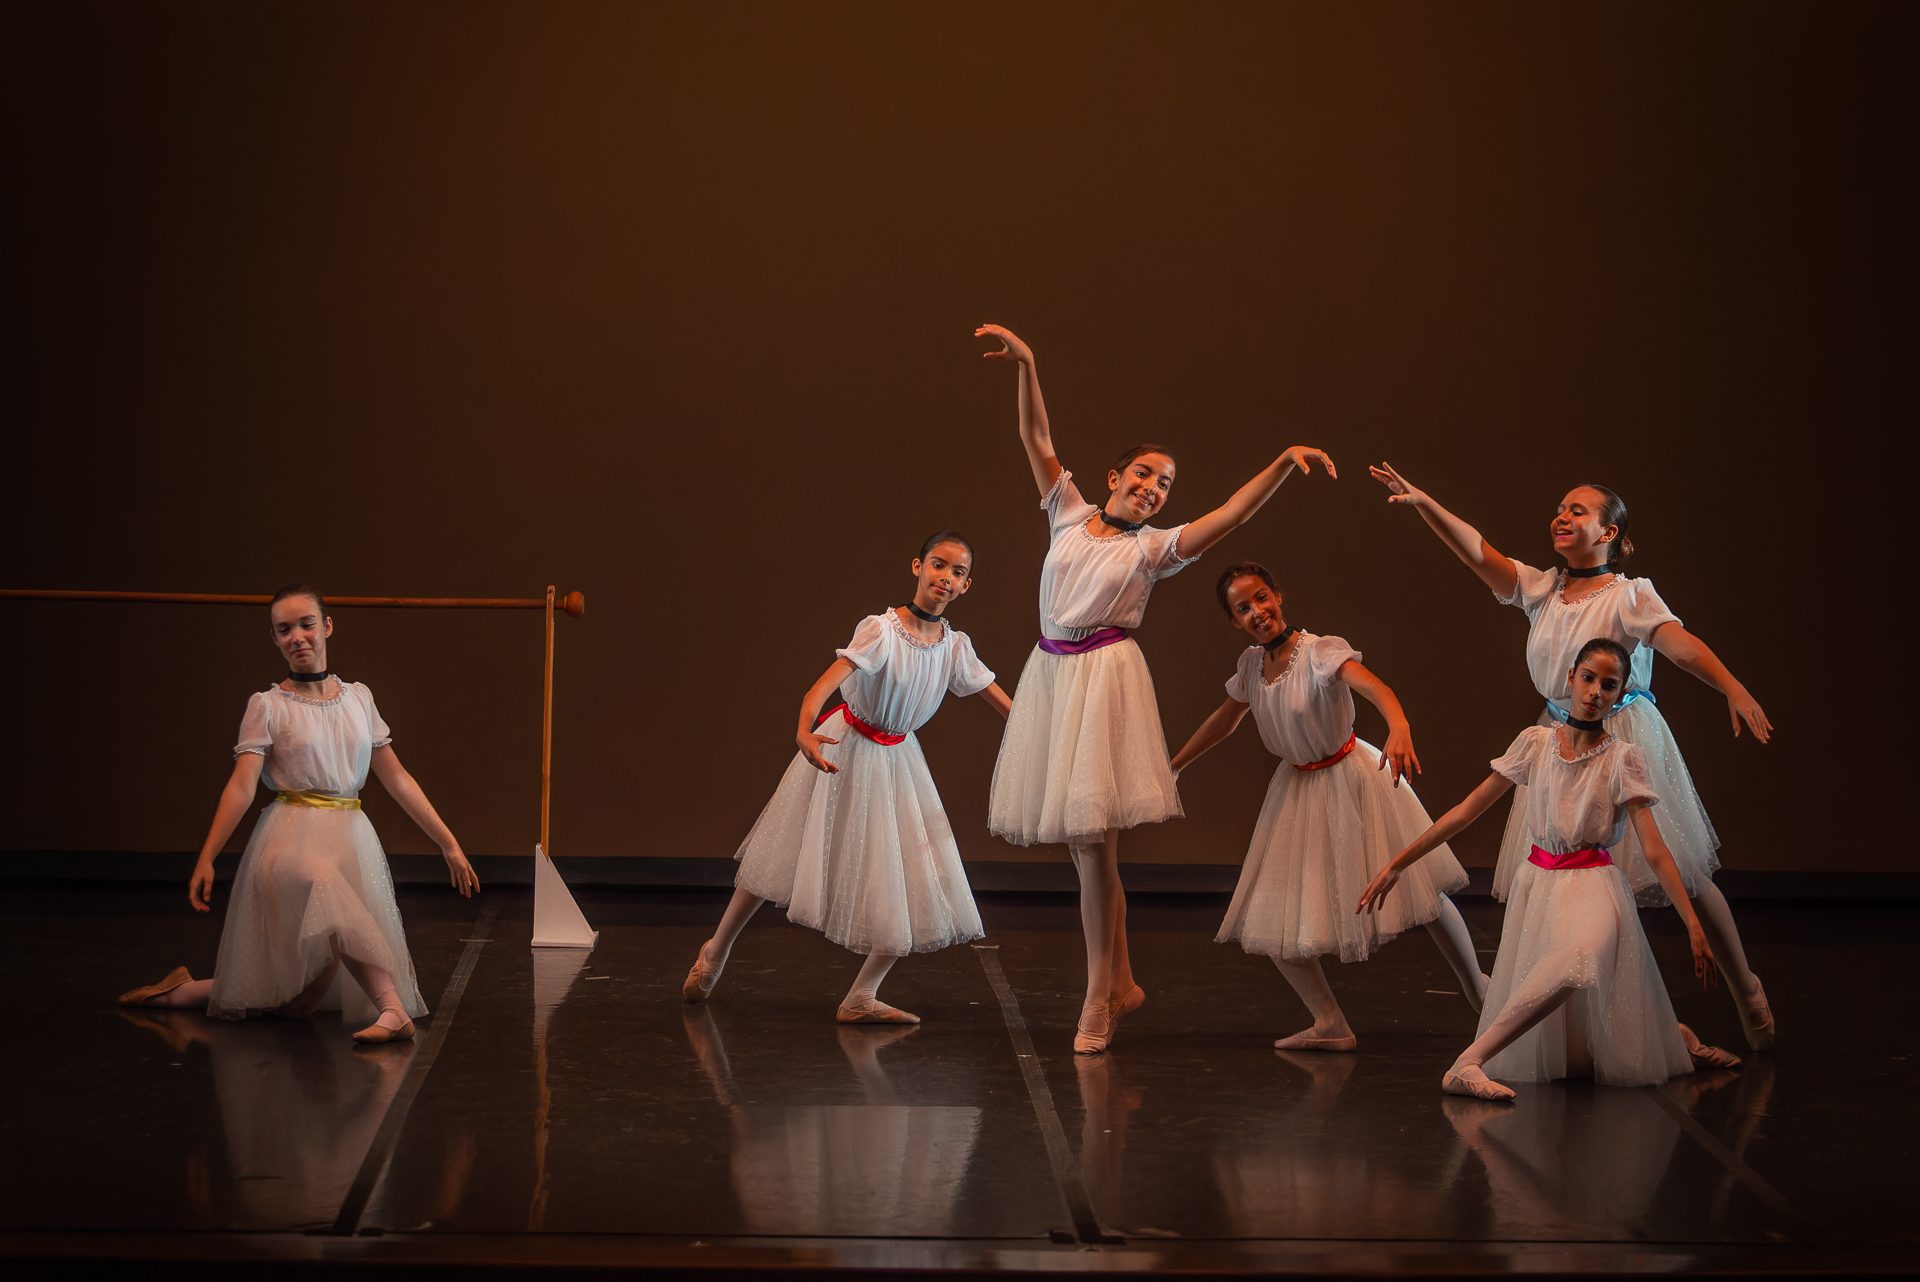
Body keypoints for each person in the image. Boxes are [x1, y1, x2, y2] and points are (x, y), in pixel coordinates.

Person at [977, 322, 1334, 1053]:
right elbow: (1035, 438)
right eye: (1143, 474)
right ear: (1115, 478)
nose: (1152, 488)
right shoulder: (1068, 513)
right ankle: (1122, 982)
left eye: (1165, 484)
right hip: (1051, 676)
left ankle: (1097, 997)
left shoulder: (1153, 549)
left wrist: (1279, 464)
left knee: (1092, 844)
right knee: (1087, 850)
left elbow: (1231, 515)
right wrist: (1029, 364)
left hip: (1102, 679)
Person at [1369, 464, 1775, 1050]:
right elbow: (1477, 552)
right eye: (1560, 508)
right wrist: (1426, 503)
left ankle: (1745, 987)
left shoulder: (1630, 595)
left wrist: (1731, 687)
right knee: (1576, 879)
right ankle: (1631, 1027)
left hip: (1623, 732)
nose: (1561, 516)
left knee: (1680, 867)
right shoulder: (1542, 589)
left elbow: (1680, 647)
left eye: (1577, 511)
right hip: (1560, 737)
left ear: (1608, 533)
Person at [1357, 638, 1741, 1102]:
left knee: (1580, 958)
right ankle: (1675, 1038)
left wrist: (1693, 924)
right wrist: (1398, 864)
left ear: (1621, 695)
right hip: (1540, 884)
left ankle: (1466, 1063)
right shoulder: (1535, 744)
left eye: (1609, 685)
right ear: (1571, 678)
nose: (1595, 691)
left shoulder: (1623, 758)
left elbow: (1656, 851)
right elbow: (1466, 811)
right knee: (1574, 1060)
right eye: (1588, 678)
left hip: (1594, 883)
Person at [118, 585, 478, 1043]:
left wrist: (448, 844)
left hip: (348, 835)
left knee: (292, 1001)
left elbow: (397, 778)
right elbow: (242, 786)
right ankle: (392, 1010)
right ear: (275, 638)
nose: (298, 637)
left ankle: (178, 992)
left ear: (326, 626)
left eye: (307, 624)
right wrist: (207, 856)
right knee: (320, 882)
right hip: (291, 836)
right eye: (285, 629)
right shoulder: (268, 706)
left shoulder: (359, 698)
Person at [681, 532, 1011, 1023]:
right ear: (918, 566)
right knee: (782, 848)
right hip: (845, 744)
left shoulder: (954, 647)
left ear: (966, 585)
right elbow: (822, 686)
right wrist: (804, 730)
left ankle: (862, 995)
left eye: (958, 572)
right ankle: (716, 948)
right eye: (939, 565)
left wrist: (1041, 741)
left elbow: (1006, 708)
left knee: (915, 871)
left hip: (898, 760)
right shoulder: (882, 630)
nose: (946, 577)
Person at [1169, 562, 1486, 1049]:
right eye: (1243, 608)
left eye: (1261, 598)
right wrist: (1174, 766)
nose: (1257, 612)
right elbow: (1225, 720)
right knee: (1272, 912)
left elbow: (1376, 688)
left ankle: (1478, 988)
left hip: (1353, 778)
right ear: (1234, 621)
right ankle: (1329, 1022)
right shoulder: (1251, 666)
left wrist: (1399, 725)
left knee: (1421, 887)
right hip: (1297, 789)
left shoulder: (1319, 651)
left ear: (1278, 595)